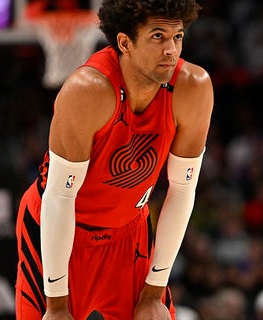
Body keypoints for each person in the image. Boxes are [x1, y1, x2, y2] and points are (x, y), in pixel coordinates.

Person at [14, 0, 213, 319]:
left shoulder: (193, 87)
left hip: (129, 233)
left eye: (177, 36)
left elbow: (182, 190)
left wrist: (153, 292)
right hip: (61, 229)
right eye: (158, 36)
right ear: (125, 43)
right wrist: (56, 305)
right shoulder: (89, 90)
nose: (171, 50)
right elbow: (60, 196)